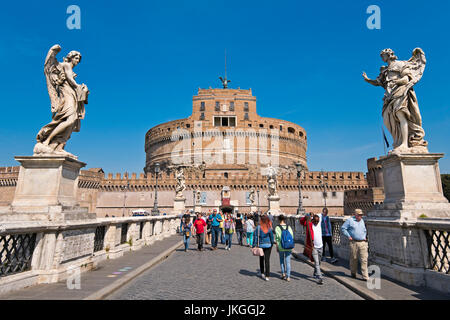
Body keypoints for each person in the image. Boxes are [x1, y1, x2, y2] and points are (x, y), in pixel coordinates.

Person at [341, 208, 369, 281]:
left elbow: (364, 230)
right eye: (359, 215)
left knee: (364, 259)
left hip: (363, 242)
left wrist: (365, 236)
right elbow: (343, 228)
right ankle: (353, 272)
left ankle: (365, 276)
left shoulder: (362, 221)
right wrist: (348, 236)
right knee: (354, 259)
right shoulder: (350, 220)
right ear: (355, 215)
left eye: (361, 215)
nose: (360, 216)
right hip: (354, 242)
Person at [300, 213, 324, 285]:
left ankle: (315, 273)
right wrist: (306, 216)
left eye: (318, 221)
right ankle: (320, 277)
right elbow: (301, 222)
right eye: (315, 221)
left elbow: (322, 214)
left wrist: (314, 214)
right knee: (316, 262)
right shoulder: (309, 225)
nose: (316, 223)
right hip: (313, 247)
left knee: (319, 262)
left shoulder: (319, 224)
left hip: (321, 246)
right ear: (312, 220)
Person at [253, 215, 274, 281]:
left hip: (261, 245)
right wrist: (272, 244)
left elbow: (256, 237)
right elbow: (272, 238)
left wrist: (254, 244)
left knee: (261, 259)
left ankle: (262, 273)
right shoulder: (269, 228)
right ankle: (267, 276)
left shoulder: (258, 228)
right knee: (267, 260)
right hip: (268, 245)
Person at [275, 215, 294, 281]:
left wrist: (277, 246)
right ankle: (288, 277)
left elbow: (277, 238)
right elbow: (292, 236)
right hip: (288, 246)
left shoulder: (277, 227)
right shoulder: (288, 227)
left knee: (281, 260)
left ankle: (283, 274)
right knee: (288, 262)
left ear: (279, 220)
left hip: (281, 246)